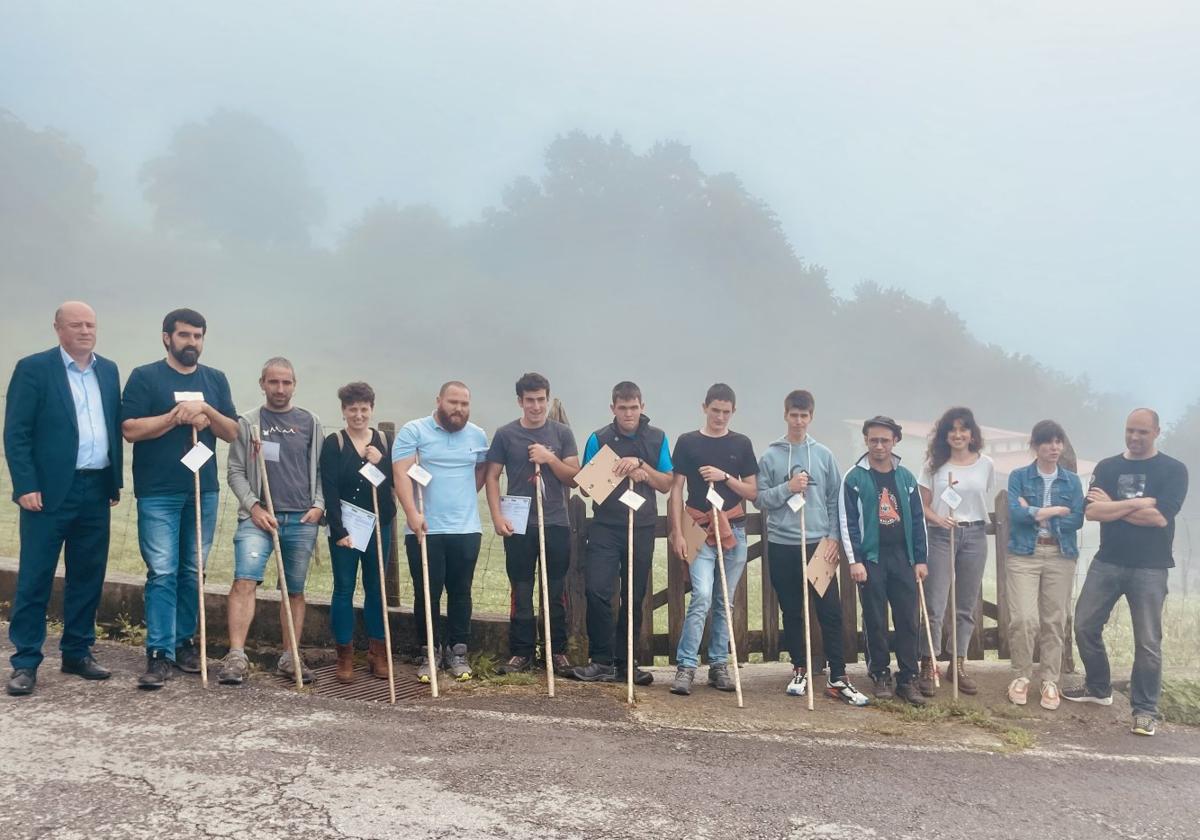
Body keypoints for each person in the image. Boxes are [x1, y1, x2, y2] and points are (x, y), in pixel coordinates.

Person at [4, 302, 123, 697]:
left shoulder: (108, 370)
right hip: (48, 491)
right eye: (76, 324)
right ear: (58, 328)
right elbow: (16, 432)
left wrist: (113, 483)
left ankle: (76, 652)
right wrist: (25, 485)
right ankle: (24, 663)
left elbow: (109, 427)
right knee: (36, 577)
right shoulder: (34, 369)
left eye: (90, 324)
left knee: (87, 576)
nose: (85, 330)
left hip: (95, 489)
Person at [121, 308, 238, 689]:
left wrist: (205, 409)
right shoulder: (145, 377)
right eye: (185, 335)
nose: (192, 343)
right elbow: (130, 429)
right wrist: (176, 417)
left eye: (198, 336)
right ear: (166, 337)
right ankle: (158, 653)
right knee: (163, 571)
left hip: (202, 490)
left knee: (192, 571)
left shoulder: (215, 380)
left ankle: (185, 643)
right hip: (158, 491)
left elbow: (232, 432)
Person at [1065, 409, 1188, 737]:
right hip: (1108, 561)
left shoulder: (1174, 470)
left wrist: (1114, 507)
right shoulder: (1108, 467)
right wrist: (1140, 503)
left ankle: (1146, 710)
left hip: (1151, 566)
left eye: (1142, 432)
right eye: (1130, 431)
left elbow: (1160, 519)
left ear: (1157, 432)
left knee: (1148, 642)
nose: (1134, 437)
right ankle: (1098, 687)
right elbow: (1092, 512)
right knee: (1084, 625)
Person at [755, 390, 868, 706]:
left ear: (811, 417)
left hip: (818, 544)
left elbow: (834, 499)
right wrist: (787, 488)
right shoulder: (771, 456)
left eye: (804, 416)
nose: (799, 421)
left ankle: (837, 677)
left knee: (829, 610)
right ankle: (799, 669)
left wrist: (833, 536)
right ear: (786, 415)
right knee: (791, 610)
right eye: (794, 415)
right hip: (782, 543)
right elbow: (760, 498)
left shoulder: (824, 455)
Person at [217, 358, 325, 686]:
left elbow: (321, 469)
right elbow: (235, 470)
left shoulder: (311, 422)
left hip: (301, 519)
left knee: (294, 590)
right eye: (273, 382)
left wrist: (318, 505)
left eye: (286, 383)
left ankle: (290, 657)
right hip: (259, 518)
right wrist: (253, 507)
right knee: (244, 580)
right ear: (262, 383)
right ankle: (236, 657)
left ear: (294, 385)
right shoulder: (248, 422)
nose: (280, 389)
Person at [571, 381, 673, 686]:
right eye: (622, 408)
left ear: (642, 407)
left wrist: (642, 466)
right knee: (597, 591)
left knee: (634, 595)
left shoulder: (656, 439)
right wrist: (619, 470)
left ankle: (627, 664)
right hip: (605, 526)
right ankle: (600, 661)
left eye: (633, 407)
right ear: (613, 408)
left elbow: (665, 483)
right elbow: (587, 488)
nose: (628, 413)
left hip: (640, 527)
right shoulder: (599, 438)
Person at [393, 381, 488, 683]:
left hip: (466, 528)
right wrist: (412, 514)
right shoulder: (414, 432)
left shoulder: (478, 435)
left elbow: (481, 472)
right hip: (425, 528)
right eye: (452, 402)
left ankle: (458, 651)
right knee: (427, 593)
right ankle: (429, 650)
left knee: (461, 592)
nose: (458, 409)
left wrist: (461, 498)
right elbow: (401, 474)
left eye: (464, 404)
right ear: (439, 401)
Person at [484, 373, 580, 675]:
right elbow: (491, 477)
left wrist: (549, 458)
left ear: (547, 399)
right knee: (522, 589)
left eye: (541, 400)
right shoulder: (505, 434)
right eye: (530, 400)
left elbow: (574, 477)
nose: (536, 406)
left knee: (555, 590)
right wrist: (497, 517)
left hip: (555, 522)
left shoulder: (562, 433)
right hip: (518, 523)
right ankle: (522, 652)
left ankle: (556, 650)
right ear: (520, 402)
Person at [668, 383, 758, 696]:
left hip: (734, 528)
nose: (720, 416)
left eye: (726, 411)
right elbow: (677, 488)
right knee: (702, 596)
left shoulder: (742, 444)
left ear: (733, 412)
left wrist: (725, 478)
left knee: (724, 600)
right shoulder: (687, 442)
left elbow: (752, 492)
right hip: (697, 527)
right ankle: (686, 666)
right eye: (715, 410)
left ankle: (719, 665)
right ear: (704, 407)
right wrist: (677, 531)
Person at [839, 416, 928, 706]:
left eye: (885, 440)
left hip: (902, 557)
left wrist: (920, 559)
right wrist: (855, 561)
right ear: (866, 441)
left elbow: (918, 520)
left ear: (895, 442)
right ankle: (879, 673)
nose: (879, 446)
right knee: (875, 619)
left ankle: (908, 677)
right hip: (872, 558)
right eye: (873, 440)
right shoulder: (854, 478)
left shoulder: (905, 478)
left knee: (907, 619)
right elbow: (847, 522)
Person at [1005, 419, 1085, 710]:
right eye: (1047, 442)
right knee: (1024, 619)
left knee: (1054, 620)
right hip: (1024, 555)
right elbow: (1015, 513)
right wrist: (1054, 509)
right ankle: (1021, 676)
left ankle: (1050, 680)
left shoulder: (1072, 481)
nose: (1054, 447)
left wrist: (1035, 511)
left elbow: (1077, 518)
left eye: (1058, 441)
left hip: (1060, 555)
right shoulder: (1019, 477)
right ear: (1035, 446)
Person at [320, 382, 395, 684]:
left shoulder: (384, 441)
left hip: (380, 524)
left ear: (372, 409)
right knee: (344, 589)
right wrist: (338, 530)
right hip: (347, 527)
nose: (359, 415)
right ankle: (345, 655)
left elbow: (396, 478)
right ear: (343, 410)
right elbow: (330, 487)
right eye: (353, 409)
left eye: (364, 409)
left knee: (376, 589)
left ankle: (378, 653)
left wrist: (382, 461)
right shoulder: (334, 442)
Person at [916, 407, 995, 696]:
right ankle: (929, 661)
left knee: (965, 606)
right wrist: (938, 519)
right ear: (944, 434)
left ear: (972, 433)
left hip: (974, 535)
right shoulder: (933, 465)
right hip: (940, 535)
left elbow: (981, 498)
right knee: (935, 604)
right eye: (953, 429)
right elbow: (922, 506)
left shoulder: (985, 464)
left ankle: (958, 663)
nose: (958, 434)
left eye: (964, 429)